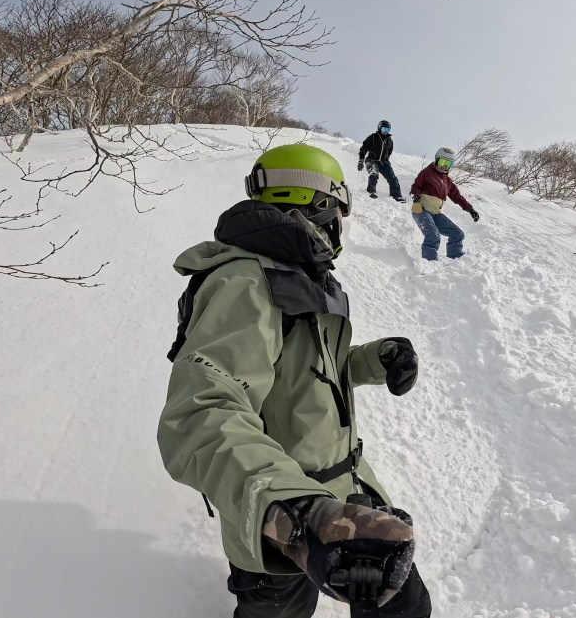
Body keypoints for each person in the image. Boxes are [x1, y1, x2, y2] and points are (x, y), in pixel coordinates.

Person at [158, 143, 432, 618]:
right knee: (284, 609)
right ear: (317, 203)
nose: (339, 227)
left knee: (405, 604)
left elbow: (307, 370)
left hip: (344, 492)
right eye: (338, 212)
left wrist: (375, 360)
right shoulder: (245, 282)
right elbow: (204, 408)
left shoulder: (300, 278)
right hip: (286, 514)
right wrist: (301, 513)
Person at [410, 147, 480, 260]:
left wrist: (470, 209)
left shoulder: (447, 181)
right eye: (442, 162)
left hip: (436, 214)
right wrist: (416, 196)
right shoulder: (427, 172)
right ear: (437, 160)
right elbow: (416, 185)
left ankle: (455, 258)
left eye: (448, 164)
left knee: (458, 234)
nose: (444, 166)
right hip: (421, 210)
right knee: (433, 235)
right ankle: (429, 262)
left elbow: (457, 196)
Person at [356, 119, 405, 202]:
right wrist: (361, 160)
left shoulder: (389, 141)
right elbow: (363, 148)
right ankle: (371, 190)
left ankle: (397, 196)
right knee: (374, 173)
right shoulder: (373, 137)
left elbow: (389, 152)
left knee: (392, 178)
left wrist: (385, 160)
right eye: (384, 129)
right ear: (379, 128)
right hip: (372, 160)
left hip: (384, 162)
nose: (385, 131)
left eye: (387, 130)